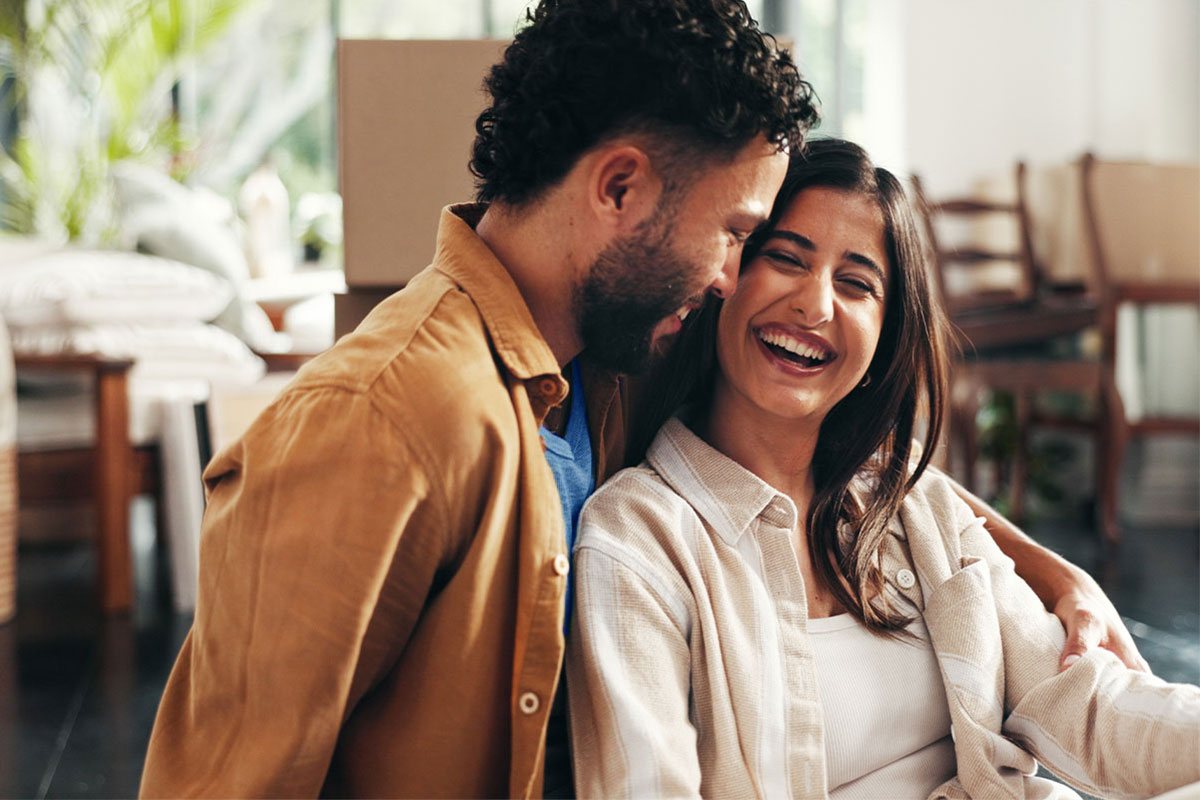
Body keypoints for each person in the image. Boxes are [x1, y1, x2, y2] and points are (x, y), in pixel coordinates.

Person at [140, 1, 1149, 796]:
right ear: (619, 189)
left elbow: (838, 466)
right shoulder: (384, 422)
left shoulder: (605, 362)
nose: (730, 277)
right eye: (734, 234)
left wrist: (1051, 574)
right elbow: (224, 781)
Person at [566, 139, 1200, 799]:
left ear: (885, 337)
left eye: (856, 283)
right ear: (728, 275)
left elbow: (1087, 708)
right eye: (785, 259)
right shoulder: (640, 536)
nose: (815, 307)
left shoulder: (914, 508)